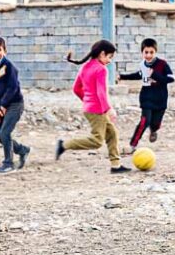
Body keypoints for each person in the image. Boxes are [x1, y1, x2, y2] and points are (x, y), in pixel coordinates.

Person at [56, 40, 131, 174]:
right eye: (109, 57)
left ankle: (116, 165)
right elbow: (101, 92)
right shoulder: (101, 69)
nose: (109, 61)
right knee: (97, 141)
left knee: (112, 133)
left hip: (90, 108)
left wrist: (86, 101)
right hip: (98, 110)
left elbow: (76, 88)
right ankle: (64, 145)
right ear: (102, 54)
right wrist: (109, 108)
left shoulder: (85, 67)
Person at [119, 38, 175, 148]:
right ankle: (132, 145)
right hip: (146, 97)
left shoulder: (162, 64)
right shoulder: (143, 65)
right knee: (145, 121)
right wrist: (122, 76)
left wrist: (155, 75)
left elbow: (171, 78)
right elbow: (139, 75)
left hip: (160, 98)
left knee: (155, 124)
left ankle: (153, 130)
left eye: (151, 52)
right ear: (142, 52)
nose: (148, 55)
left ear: (155, 52)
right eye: (146, 52)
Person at [0, 35, 30, 174]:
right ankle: (22, 150)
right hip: (1, 106)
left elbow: (13, 88)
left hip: (15, 104)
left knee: (5, 132)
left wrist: (4, 105)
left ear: (5, 51)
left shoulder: (9, 67)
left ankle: (8, 163)